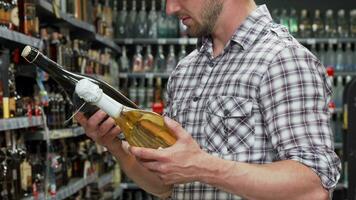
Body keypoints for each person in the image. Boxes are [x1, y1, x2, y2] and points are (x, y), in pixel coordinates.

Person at [75, 0, 341, 199]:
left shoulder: (283, 59)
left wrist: (203, 168)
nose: (170, 8)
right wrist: (114, 146)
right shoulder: (185, 70)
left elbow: (313, 187)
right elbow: (164, 185)